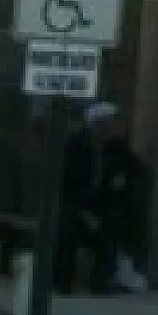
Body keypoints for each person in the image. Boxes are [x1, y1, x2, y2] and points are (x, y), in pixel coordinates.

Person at [57, 102, 137, 294]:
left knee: (113, 226)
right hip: (75, 203)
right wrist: (85, 212)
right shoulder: (75, 145)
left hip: (100, 204)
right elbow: (67, 183)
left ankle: (100, 280)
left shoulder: (115, 148)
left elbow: (133, 168)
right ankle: (62, 280)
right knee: (67, 229)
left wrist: (122, 179)